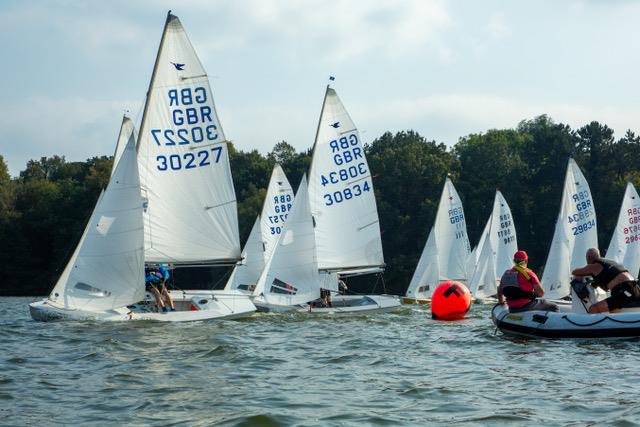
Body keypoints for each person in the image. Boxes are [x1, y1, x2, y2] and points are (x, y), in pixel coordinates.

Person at [571, 248, 640, 313]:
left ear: (588, 257)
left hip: (624, 291)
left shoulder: (593, 266)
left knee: (593, 309)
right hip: (635, 288)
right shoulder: (611, 263)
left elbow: (575, 272)